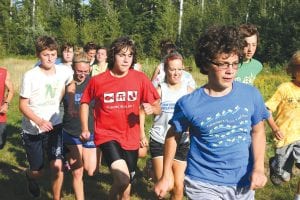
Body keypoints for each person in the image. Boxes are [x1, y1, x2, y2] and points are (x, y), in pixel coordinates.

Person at [154, 25, 269, 200]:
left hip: (243, 182)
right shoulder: (189, 104)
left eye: (234, 63)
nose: (230, 70)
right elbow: (173, 135)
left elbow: (258, 130)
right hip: (203, 183)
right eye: (223, 64)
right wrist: (166, 174)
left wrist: (259, 168)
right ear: (207, 64)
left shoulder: (251, 95)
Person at [80, 36, 161, 200]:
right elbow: (84, 102)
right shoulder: (98, 81)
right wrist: (85, 128)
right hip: (107, 135)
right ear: (113, 56)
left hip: (131, 137)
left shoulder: (139, 78)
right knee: (123, 178)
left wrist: (152, 108)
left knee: (126, 187)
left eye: (130, 56)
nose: (126, 60)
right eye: (122, 55)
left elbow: (158, 107)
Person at [19, 36, 73, 199]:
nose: (50, 58)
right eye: (45, 54)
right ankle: (29, 175)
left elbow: (71, 83)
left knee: (57, 166)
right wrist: (39, 121)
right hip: (33, 130)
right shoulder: (30, 76)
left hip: (55, 126)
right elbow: (22, 105)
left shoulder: (64, 70)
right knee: (38, 171)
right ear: (38, 55)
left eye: (53, 54)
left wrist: (69, 103)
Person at [149, 51, 193, 199]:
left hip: (181, 141)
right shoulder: (160, 90)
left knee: (179, 187)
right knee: (166, 186)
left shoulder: (188, 91)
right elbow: (151, 109)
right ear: (166, 70)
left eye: (179, 69)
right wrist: (152, 108)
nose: (176, 73)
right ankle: (154, 170)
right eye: (172, 69)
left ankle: (154, 171)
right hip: (160, 139)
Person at [62, 51, 99, 200]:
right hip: (70, 130)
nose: (82, 74)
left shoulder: (94, 83)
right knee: (78, 171)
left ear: (89, 69)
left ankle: (67, 156)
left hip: (89, 130)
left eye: (85, 71)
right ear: (73, 68)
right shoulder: (65, 83)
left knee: (91, 170)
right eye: (79, 71)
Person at [266, 51, 300, 199]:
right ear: (293, 69)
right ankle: (275, 166)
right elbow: (266, 109)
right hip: (284, 138)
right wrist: (274, 128)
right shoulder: (284, 88)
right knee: (282, 177)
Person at [0, 66, 14, 149]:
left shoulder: (3, 72)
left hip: (0, 115)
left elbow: (11, 90)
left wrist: (6, 104)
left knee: (1, 142)